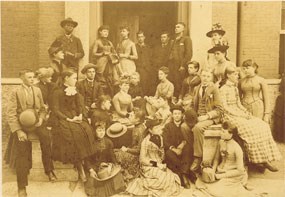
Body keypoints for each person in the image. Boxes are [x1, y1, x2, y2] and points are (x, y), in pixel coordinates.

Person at [219, 66, 281, 172]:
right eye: (234, 74)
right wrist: (241, 115)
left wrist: (246, 112)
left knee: (262, 125)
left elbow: (238, 104)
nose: (237, 76)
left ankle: (264, 160)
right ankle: (257, 161)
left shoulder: (234, 88)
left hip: (238, 113)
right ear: (228, 75)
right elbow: (225, 107)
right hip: (228, 116)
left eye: (237, 74)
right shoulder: (223, 89)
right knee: (250, 129)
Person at [5, 69, 55, 197]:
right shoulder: (15, 92)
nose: (32, 79)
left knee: (46, 138)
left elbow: (43, 109)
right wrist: (19, 131)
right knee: (22, 152)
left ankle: (49, 170)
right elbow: (10, 114)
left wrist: (41, 119)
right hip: (22, 125)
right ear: (22, 78)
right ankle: (22, 187)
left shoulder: (37, 90)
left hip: (36, 123)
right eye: (29, 77)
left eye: (33, 77)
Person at [51, 69, 96, 182]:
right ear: (66, 78)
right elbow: (55, 109)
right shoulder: (57, 92)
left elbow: (80, 105)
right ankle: (80, 166)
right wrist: (68, 119)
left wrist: (80, 115)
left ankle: (87, 164)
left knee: (87, 130)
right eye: (74, 78)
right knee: (73, 135)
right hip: (62, 118)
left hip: (76, 116)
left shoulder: (75, 91)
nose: (76, 80)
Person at [193, 121, 255, 197]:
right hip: (220, 171)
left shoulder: (237, 148)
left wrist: (219, 176)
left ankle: (240, 184)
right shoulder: (220, 142)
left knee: (217, 191)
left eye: (223, 132)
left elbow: (240, 171)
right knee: (200, 182)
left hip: (232, 174)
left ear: (231, 134)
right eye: (221, 131)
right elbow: (216, 158)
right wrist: (213, 169)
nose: (220, 133)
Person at [126, 119, 182, 196]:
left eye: (159, 127)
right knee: (164, 180)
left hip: (160, 164)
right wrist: (157, 164)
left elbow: (162, 153)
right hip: (148, 166)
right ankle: (140, 183)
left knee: (172, 177)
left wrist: (162, 163)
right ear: (150, 130)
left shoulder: (160, 138)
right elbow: (142, 159)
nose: (159, 129)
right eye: (156, 128)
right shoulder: (146, 142)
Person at [190, 68, 223, 172]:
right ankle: (190, 153)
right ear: (200, 76)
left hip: (210, 117)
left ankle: (198, 157)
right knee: (184, 126)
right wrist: (189, 113)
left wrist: (207, 116)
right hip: (198, 116)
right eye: (204, 76)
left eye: (208, 76)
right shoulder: (196, 88)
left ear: (211, 78)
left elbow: (219, 109)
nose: (205, 78)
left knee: (197, 128)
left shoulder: (214, 89)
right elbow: (192, 105)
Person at [84, 121, 126, 197]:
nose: (101, 133)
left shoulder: (108, 142)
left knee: (117, 175)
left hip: (106, 166)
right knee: (92, 182)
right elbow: (86, 160)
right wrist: (90, 170)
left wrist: (114, 165)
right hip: (94, 166)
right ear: (95, 131)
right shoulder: (90, 143)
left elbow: (112, 156)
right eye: (99, 130)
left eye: (103, 130)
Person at [163, 105, 194, 189]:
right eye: (175, 114)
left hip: (182, 149)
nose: (177, 115)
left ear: (182, 115)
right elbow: (165, 141)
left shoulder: (185, 126)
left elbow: (188, 138)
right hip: (172, 150)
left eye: (179, 113)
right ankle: (184, 175)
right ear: (172, 115)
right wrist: (174, 149)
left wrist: (182, 145)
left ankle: (184, 174)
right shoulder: (168, 126)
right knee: (169, 153)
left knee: (188, 149)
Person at [115, 108, 147, 182]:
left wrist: (127, 150)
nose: (129, 116)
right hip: (133, 150)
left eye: (132, 116)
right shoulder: (136, 127)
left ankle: (125, 174)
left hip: (137, 157)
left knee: (116, 155)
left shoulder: (140, 130)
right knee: (116, 151)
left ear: (137, 120)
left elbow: (139, 150)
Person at [92, 25, 122, 94]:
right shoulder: (97, 42)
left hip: (109, 63)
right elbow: (93, 53)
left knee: (110, 78)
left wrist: (115, 56)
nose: (106, 33)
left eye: (107, 32)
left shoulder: (110, 42)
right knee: (101, 79)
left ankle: (110, 96)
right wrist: (102, 54)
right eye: (104, 31)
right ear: (100, 32)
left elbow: (114, 52)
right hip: (101, 63)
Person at [168, 22, 193, 98]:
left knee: (181, 84)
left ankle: (181, 100)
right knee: (174, 83)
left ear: (183, 29)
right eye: (175, 27)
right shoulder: (173, 41)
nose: (176, 28)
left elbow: (189, 54)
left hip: (181, 67)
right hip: (173, 66)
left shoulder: (186, 39)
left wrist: (183, 65)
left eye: (178, 27)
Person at [135, 30, 155, 95]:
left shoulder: (148, 47)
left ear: (144, 37)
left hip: (146, 69)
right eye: (139, 37)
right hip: (137, 69)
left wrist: (148, 67)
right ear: (137, 38)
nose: (140, 38)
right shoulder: (135, 47)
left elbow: (151, 59)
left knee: (146, 85)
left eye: (142, 37)